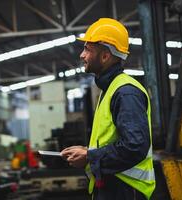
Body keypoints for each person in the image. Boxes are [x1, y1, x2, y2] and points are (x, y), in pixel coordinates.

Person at [61, 18, 156, 200]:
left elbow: (135, 146)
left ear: (105, 56)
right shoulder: (109, 89)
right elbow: (112, 139)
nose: (82, 55)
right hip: (115, 187)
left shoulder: (125, 92)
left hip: (126, 190)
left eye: (88, 49)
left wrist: (90, 157)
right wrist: (87, 151)